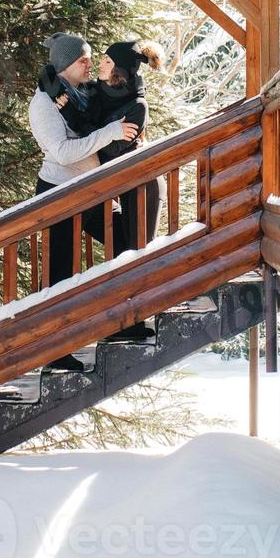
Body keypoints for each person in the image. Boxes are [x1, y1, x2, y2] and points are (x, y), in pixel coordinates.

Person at [29, 33, 140, 289]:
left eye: (90, 59)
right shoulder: (44, 104)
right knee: (59, 273)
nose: (90, 64)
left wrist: (131, 140)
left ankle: (124, 317)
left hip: (91, 188)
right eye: (83, 60)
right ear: (65, 65)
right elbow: (63, 153)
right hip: (60, 192)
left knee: (125, 242)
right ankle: (52, 326)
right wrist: (112, 131)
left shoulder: (82, 94)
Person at [87, 40, 166, 342]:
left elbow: (111, 150)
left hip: (143, 186)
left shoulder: (137, 105)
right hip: (122, 187)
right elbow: (88, 128)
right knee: (122, 251)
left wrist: (103, 133)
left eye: (106, 62)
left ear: (118, 70)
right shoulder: (98, 95)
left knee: (134, 254)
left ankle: (130, 324)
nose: (100, 65)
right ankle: (125, 323)